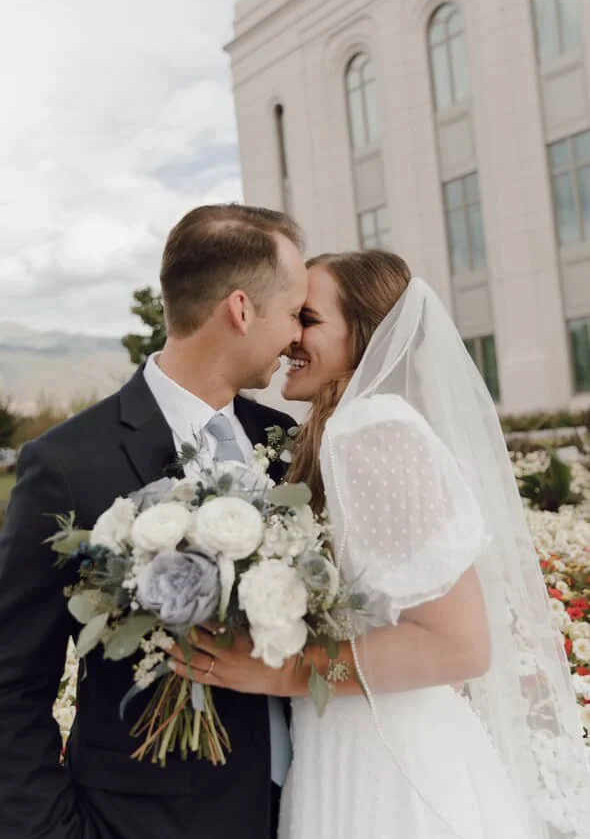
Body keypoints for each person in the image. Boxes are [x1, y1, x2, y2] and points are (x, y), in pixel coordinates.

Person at [181, 250, 589, 838]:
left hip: (383, 761)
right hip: (360, 736)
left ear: (365, 333)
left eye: (307, 319)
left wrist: (278, 672)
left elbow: (460, 647)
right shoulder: (340, 433)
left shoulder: (370, 432)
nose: (290, 337)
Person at [0, 203, 308, 839]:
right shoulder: (68, 464)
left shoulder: (286, 443)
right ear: (242, 309)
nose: (297, 335)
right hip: (145, 823)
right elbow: (11, 682)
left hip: (311, 808)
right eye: (293, 311)